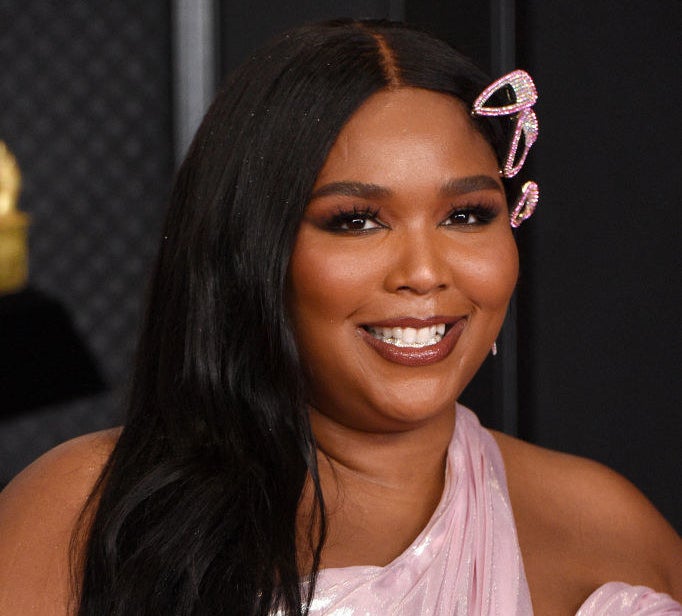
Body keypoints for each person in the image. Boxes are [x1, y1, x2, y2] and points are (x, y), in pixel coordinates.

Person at [0, 19, 679, 616]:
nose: (423, 271)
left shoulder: (607, 519)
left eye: (466, 215)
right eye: (356, 221)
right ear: (253, 251)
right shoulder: (84, 512)